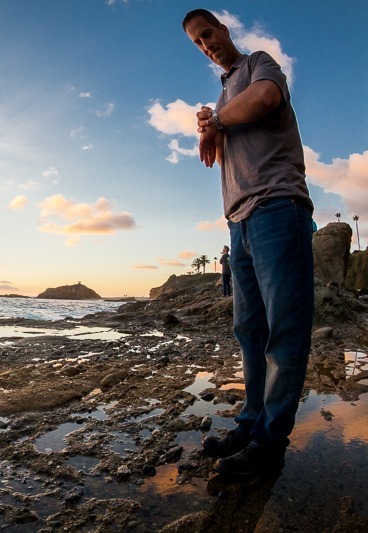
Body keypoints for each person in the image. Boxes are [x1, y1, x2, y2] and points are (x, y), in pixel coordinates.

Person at [183, 9, 314, 476]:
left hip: (277, 207)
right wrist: (210, 128)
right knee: (250, 331)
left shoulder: (258, 62)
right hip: (238, 223)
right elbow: (221, 156)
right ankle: (250, 423)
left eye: (208, 34)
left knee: (285, 331)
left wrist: (217, 118)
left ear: (224, 29)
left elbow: (265, 97)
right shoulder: (222, 94)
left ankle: (269, 444)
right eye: (198, 43)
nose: (206, 45)